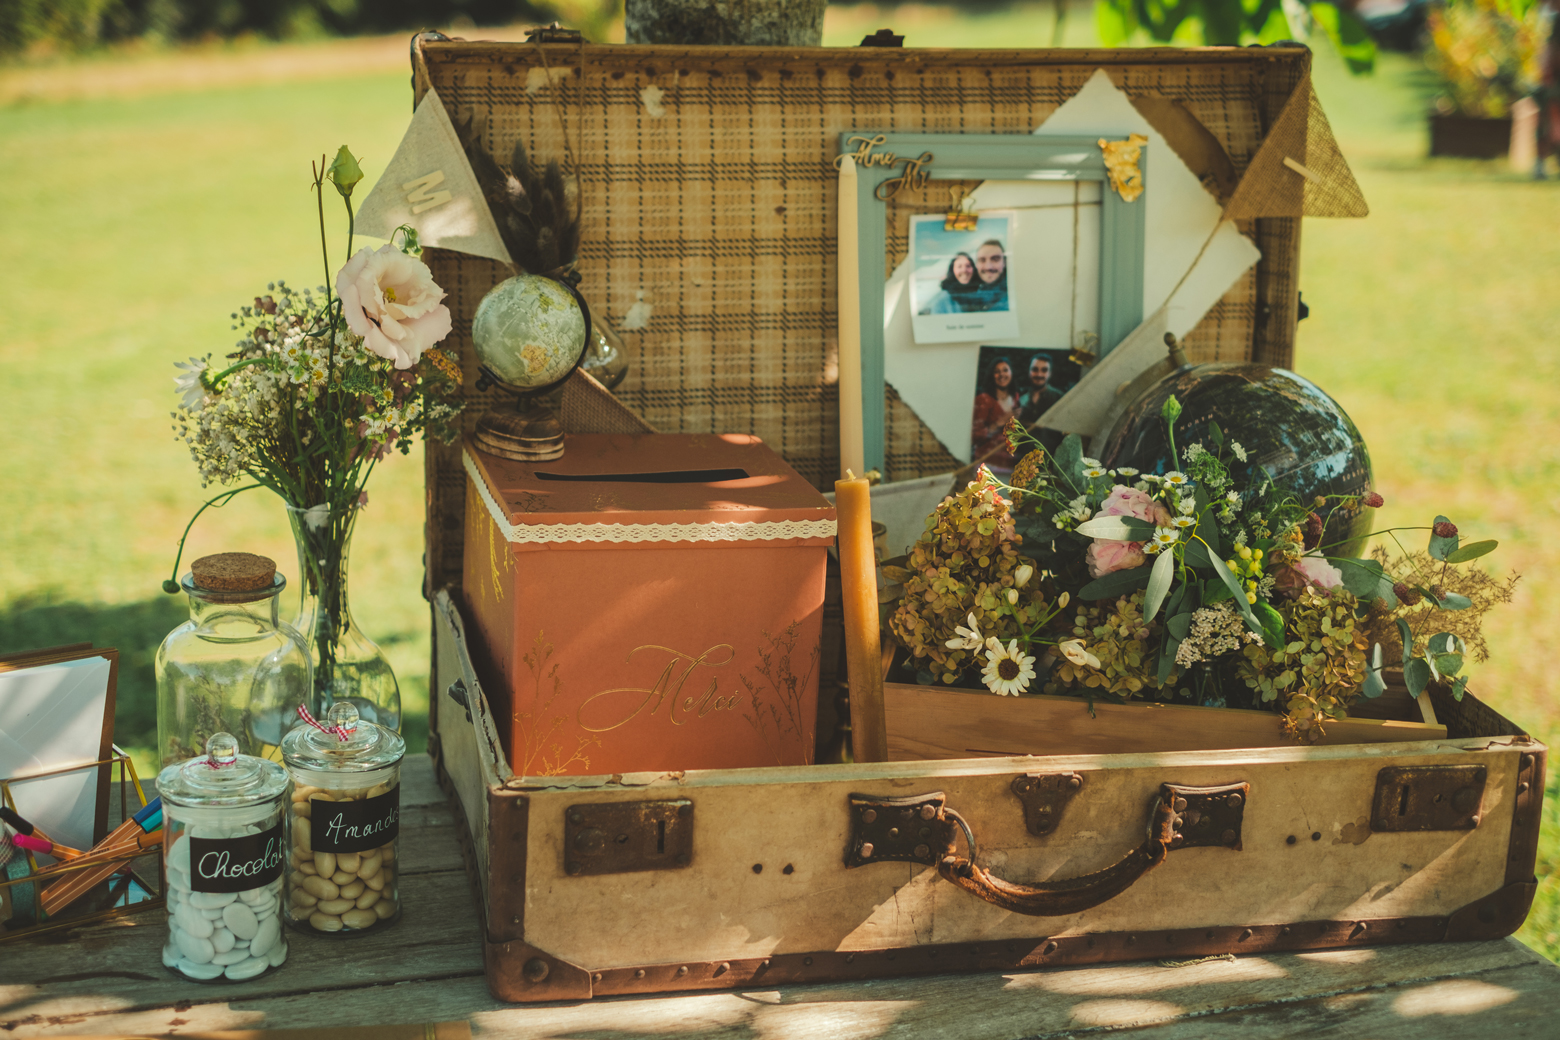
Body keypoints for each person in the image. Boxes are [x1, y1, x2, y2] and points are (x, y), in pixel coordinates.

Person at [970, 355, 1020, 469]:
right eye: (997, 372)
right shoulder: (983, 399)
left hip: (1010, 464)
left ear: (1011, 373)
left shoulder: (1016, 399)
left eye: (1005, 370)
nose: (1002, 374)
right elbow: (974, 437)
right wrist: (998, 423)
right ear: (992, 376)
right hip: (988, 463)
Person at [1018, 354, 1064, 427]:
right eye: (1035, 369)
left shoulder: (1060, 398)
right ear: (1029, 372)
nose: (1039, 374)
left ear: (1050, 374)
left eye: (1044, 370)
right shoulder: (1020, 399)